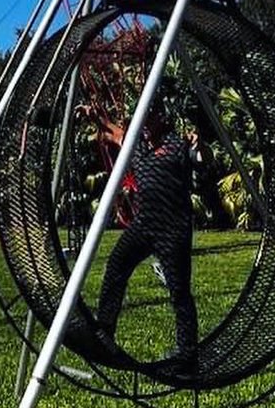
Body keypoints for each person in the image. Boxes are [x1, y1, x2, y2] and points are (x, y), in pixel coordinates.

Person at [96, 107, 200, 369]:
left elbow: (201, 156)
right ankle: (104, 333)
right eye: (141, 119)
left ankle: (187, 356)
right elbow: (114, 133)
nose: (143, 124)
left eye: (149, 118)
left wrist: (201, 144)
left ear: (161, 119)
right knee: (117, 265)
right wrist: (95, 117)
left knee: (179, 290)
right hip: (144, 224)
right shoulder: (137, 145)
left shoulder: (177, 143)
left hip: (173, 227)